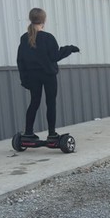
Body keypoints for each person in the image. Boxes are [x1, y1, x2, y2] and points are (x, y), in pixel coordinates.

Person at [16, 8, 80, 141]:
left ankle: (28, 133)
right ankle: (52, 134)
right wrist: (70, 49)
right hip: (48, 75)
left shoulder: (24, 38)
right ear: (44, 20)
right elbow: (55, 56)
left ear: (31, 19)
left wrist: (24, 79)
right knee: (50, 103)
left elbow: (20, 60)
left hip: (32, 76)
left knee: (34, 102)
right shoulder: (48, 38)